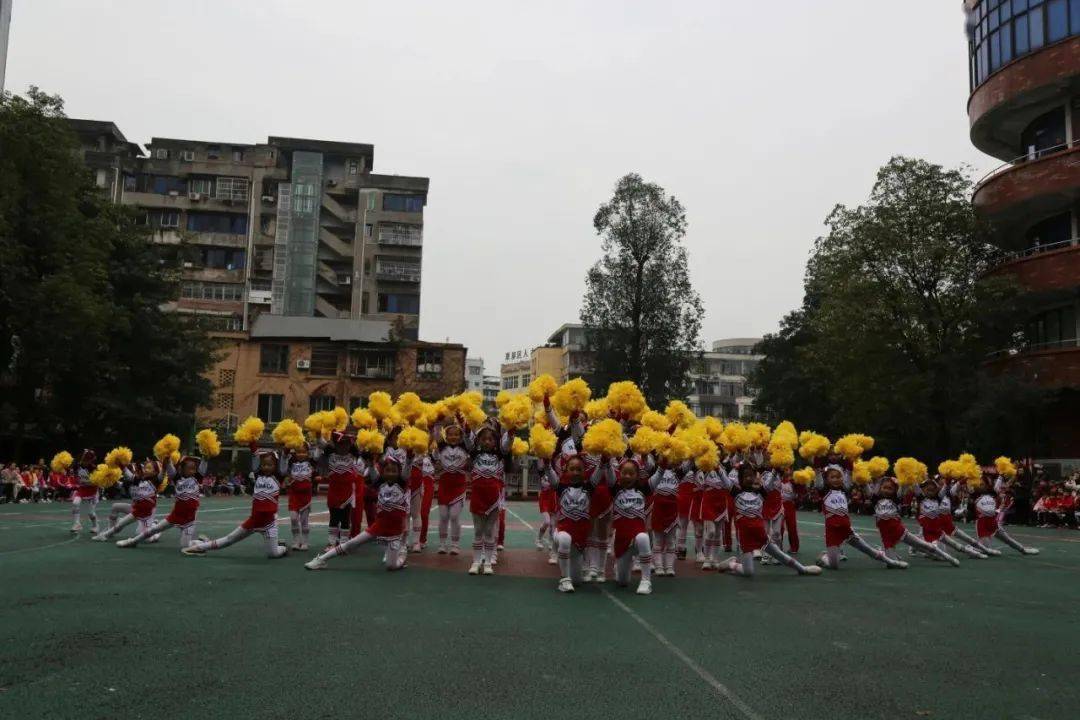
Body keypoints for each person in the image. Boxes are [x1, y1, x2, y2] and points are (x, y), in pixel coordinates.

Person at [305, 452, 412, 571]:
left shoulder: (402, 484)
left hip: (395, 531)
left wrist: (409, 459)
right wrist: (371, 464)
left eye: (394, 471)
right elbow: (372, 471)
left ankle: (402, 554)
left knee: (391, 566)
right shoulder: (380, 483)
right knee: (352, 543)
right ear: (383, 471)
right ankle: (321, 560)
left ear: (399, 472)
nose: (391, 473)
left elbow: (407, 471)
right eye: (388, 470)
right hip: (379, 526)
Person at [182, 448, 287, 559]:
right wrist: (251, 438)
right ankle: (199, 547)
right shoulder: (257, 476)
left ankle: (282, 547)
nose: (266, 467)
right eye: (264, 464)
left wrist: (287, 448)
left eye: (269, 465)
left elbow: (284, 458)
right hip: (254, 521)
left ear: (275, 466)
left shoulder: (278, 478)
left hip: (270, 523)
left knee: (273, 554)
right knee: (229, 539)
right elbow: (254, 454)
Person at [724, 463, 821, 577]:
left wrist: (775, 470)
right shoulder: (735, 492)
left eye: (751, 476)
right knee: (748, 572)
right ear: (740, 479)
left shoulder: (761, 492)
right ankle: (731, 564)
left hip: (761, 535)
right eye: (745, 476)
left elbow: (770, 482)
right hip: (745, 539)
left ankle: (802, 569)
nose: (749, 478)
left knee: (778, 554)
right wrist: (716, 467)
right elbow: (724, 479)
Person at [814, 464, 907, 570]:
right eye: (832, 477)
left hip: (846, 530)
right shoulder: (823, 491)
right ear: (826, 479)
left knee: (867, 549)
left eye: (838, 477)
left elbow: (849, 469)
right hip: (832, 531)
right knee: (833, 565)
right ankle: (824, 558)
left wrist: (851, 456)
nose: (836, 479)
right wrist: (817, 461)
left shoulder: (845, 490)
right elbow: (818, 478)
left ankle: (892, 562)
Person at [117, 455, 206, 549]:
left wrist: (206, 455)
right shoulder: (176, 478)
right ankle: (133, 541)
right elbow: (169, 465)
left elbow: (205, 461)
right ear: (181, 468)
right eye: (190, 469)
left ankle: (202, 542)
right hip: (175, 516)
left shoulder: (197, 478)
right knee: (154, 529)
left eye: (194, 469)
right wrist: (167, 458)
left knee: (185, 546)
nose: (194, 471)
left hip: (189, 520)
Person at [545, 453, 604, 592]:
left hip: (579, 539)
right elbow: (550, 471)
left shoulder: (589, 487)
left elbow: (600, 469)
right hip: (562, 532)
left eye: (579, 469)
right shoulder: (560, 487)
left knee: (577, 581)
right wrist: (546, 461)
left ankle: (571, 572)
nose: (575, 472)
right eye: (572, 469)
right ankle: (564, 580)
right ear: (566, 470)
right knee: (565, 539)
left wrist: (605, 458)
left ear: (584, 471)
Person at [868, 477, 958, 566]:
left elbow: (902, 487)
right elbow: (869, 488)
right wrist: (864, 479)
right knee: (891, 563)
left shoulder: (896, 498)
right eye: (884, 488)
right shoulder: (875, 499)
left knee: (924, 545)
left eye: (890, 488)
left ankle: (949, 558)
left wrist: (906, 478)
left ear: (894, 490)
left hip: (899, 531)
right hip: (886, 536)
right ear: (880, 488)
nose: (886, 490)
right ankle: (893, 556)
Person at [467, 423, 511, 575]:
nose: (487, 442)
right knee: (478, 530)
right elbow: (468, 440)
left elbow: (507, 444)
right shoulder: (474, 454)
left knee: (489, 531)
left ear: (495, 441)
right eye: (484, 439)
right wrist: (466, 426)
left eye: (490, 439)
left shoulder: (500, 454)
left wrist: (511, 432)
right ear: (478, 441)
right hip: (477, 496)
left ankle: (488, 563)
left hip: (493, 498)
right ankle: (476, 561)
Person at [608, 458, 654, 594]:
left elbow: (659, 472)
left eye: (631, 473)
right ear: (619, 473)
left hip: (637, 533)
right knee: (623, 582)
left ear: (637, 475)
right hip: (622, 539)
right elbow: (608, 472)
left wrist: (661, 460)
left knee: (643, 538)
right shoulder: (615, 488)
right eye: (624, 473)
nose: (627, 476)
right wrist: (605, 459)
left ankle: (646, 581)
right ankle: (622, 566)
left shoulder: (643, 488)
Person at [92, 460, 163, 543]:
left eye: (149, 468)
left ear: (155, 472)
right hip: (136, 508)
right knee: (116, 508)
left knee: (146, 538)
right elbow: (125, 473)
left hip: (147, 513)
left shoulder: (155, 481)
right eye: (145, 467)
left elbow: (163, 471)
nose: (146, 470)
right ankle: (107, 532)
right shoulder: (136, 479)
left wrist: (166, 462)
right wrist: (118, 464)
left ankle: (156, 529)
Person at [972, 475, 1040, 555]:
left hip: (993, 522)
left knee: (1007, 538)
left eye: (982, 484)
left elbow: (997, 487)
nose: (981, 485)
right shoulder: (974, 494)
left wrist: (1001, 476)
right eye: (979, 484)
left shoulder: (992, 493)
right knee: (986, 549)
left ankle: (1023, 549)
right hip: (982, 524)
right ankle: (971, 547)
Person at [432, 421, 470, 555]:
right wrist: (438, 419)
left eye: (456, 435)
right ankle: (442, 544)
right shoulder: (442, 447)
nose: (453, 437)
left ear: (460, 437)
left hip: (458, 485)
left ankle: (455, 544)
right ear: (446, 436)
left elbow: (468, 436)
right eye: (450, 435)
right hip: (444, 484)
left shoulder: (464, 447)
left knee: (454, 516)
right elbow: (436, 434)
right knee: (443, 516)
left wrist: (464, 422)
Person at [282, 442, 320, 551]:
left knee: (304, 520)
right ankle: (295, 540)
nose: (301, 454)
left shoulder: (311, 463)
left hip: (305, 497)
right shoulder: (291, 462)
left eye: (304, 452)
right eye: (298, 452)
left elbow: (317, 455)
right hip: (294, 495)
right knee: (293, 518)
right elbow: (284, 470)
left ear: (308, 453)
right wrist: (287, 480)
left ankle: (305, 541)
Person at [70, 450, 101, 534]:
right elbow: (72, 472)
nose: (85, 461)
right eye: (84, 459)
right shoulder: (77, 465)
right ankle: (77, 524)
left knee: (91, 513)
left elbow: (98, 482)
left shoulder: (94, 469)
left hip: (92, 491)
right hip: (82, 489)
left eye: (87, 460)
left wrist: (89, 482)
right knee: (75, 503)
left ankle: (95, 525)